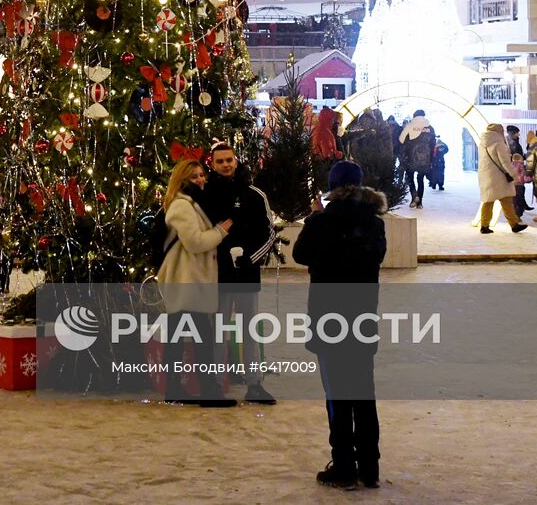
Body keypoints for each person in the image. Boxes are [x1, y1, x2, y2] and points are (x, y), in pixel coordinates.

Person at [293, 160, 387, 490]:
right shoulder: (375, 223)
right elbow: (375, 258)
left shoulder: (324, 221)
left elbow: (300, 255)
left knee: (337, 393)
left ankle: (344, 465)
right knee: (363, 391)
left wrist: (315, 217)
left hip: (329, 318)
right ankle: (370, 466)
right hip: (362, 317)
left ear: (332, 186)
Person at [157, 158, 235, 407]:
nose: (201, 180)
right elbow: (194, 242)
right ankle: (206, 391)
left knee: (183, 337)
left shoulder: (190, 203)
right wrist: (220, 232)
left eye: (202, 175)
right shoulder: (182, 206)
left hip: (189, 280)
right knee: (199, 337)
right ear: (183, 181)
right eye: (194, 177)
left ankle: (177, 388)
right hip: (186, 281)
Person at [210, 142, 278, 405]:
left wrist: (250, 259)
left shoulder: (254, 195)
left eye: (229, 160)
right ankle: (216, 383)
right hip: (217, 276)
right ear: (212, 164)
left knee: (251, 330)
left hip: (247, 275)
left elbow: (269, 233)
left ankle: (254, 383)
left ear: (235, 161)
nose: (226, 165)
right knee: (219, 330)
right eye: (220, 161)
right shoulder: (207, 195)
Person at [477, 123, 528, 235]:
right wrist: (514, 176)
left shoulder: (483, 143)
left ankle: (484, 225)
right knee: (506, 201)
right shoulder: (499, 143)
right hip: (500, 177)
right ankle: (514, 224)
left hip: (486, 175)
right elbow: (505, 162)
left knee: (488, 201)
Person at [398, 110, 435, 208]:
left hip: (411, 157)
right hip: (425, 158)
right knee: (420, 179)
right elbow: (433, 144)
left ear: (414, 116)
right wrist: (430, 158)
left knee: (410, 177)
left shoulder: (410, 125)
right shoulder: (430, 128)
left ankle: (414, 196)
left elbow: (401, 139)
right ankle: (420, 203)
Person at [505, 125, 529, 217]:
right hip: (515, 170)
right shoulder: (511, 143)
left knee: (519, 190)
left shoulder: (513, 142)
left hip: (516, 169)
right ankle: (517, 212)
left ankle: (520, 208)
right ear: (513, 133)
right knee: (517, 192)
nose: (519, 134)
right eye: (517, 132)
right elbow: (516, 156)